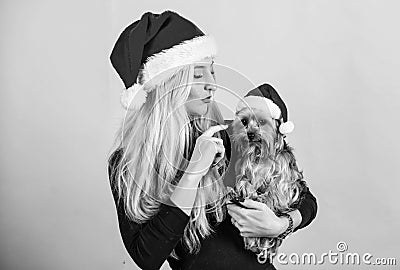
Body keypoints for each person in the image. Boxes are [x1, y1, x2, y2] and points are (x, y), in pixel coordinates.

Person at [108, 11, 317, 270]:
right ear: (170, 84)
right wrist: (194, 171)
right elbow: (147, 258)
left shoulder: (230, 136)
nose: (212, 85)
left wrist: (281, 224)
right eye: (198, 75)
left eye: (212, 72)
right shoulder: (127, 163)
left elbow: (306, 200)